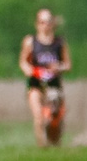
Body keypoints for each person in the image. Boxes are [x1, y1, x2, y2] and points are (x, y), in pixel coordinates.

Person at [19, 9, 70, 146]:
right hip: (36, 84)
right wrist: (28, 70)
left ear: (52, 24)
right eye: (42, 22)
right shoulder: (31, 42)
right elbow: (23, 61)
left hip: (53, 84)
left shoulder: (59, 43)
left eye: (47, 22)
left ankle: (55, 144)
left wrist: (58, 67)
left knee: (54, 119)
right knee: (38, 116)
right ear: (37, 24)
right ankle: (41, 146)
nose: (45, 25)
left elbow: (67, 65)